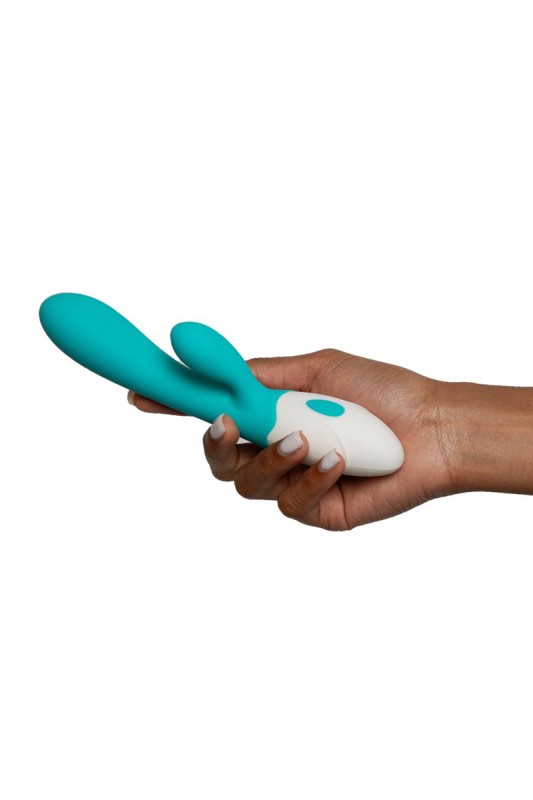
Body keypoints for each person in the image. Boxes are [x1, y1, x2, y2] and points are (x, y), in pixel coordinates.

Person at [126, 348, 533, 530]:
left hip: (260, 406)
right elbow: (190, 337)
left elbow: (191, 337)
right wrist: (441, 430)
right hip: (259, 403)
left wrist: (446, 434)